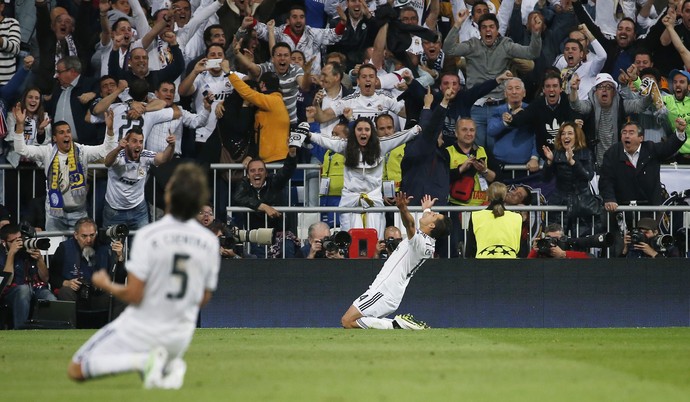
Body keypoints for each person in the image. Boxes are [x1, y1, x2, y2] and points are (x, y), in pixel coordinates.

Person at [67, 163, 220, 389]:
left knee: (76, 369)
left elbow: (134, 294)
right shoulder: (209, 242)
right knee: (157, 385)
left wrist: (106, 284)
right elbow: (204, 299)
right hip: (180, 335)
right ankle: (169, 367)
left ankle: (143, 361)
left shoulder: (150, 235)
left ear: (168, 194)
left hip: (144, 326)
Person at [340, 193, 451, 330]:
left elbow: (410, 225)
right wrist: (426, 209)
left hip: (384, 291)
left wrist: (403, 208)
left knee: (347, 321)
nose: (431, 213)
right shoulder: (427, 241)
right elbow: (419, 224)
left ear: (432, 225)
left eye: (433, 215)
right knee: (355, 322)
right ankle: (399, 324)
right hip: (388, 291)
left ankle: (398, 325)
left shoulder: (421, 242)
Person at [304, 117, 422, 238]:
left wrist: (416, 129)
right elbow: (326, 140)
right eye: (359, 129)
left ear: (372, 132)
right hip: (350, 201)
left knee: (375, 239)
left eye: (367, 129)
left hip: (374, 201)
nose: (363, 132)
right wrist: (309, 135)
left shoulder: (382, 145)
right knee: (350, 240)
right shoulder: (345, 146)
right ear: (354, 132)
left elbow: (400, 137)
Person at [11, 108, 118, 231]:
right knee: (54, 249)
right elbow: (21, 149)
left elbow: (106, 150)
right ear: (55, 138)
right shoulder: (47, 152)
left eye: (68, 131)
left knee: (81, 249)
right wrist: (20, 125)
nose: (66, 135)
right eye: (61, 132)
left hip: (78, 214)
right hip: (54, 213)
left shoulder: (81, 151)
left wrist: (109, 129)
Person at [599, 120, 687, 212]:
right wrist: (609, 199)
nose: (627, 136)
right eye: (624, 133)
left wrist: (680, 132)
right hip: (621, 208)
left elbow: (669, 147)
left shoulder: (651, 149)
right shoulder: (612, 153)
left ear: (640, 138)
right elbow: (606, 179)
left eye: (631, 133)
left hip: (650, 208)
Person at [103, 127, 175, 230]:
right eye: (134, 141)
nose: (138, 145)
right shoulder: (118, 156)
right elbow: (107, 162)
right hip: (114, 210)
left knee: (142, 243)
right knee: (112, 244)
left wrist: (171, 146)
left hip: (138, 210)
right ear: (126, 143)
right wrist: (118, 148)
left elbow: (163, 158)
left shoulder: (145, 155)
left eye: (141, 142)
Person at [233, 146, 299, 258]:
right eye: (252, 171)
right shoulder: (244, 184)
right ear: (248, 175)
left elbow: (286, 172)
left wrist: (291, 155)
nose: (257, 173)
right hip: (258, 235)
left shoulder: (274, 181)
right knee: (259, 259)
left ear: (266, 173)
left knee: (288, 251)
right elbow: (238, 197)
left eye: (260, 170)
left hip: (280, 233)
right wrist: (263, 207)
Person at [542, 121, 600, 236]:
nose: (566, 136)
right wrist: (549, 161)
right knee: (556, 239)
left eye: (570, 133)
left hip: (581, 203)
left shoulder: (586, 153)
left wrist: (573, 162)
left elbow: (588, 176)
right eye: (563, 134)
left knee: (579, 242)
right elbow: (545, 178)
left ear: (577, 136)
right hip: (559, 201)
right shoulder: (556, 153)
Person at [49, 218, 113, 313]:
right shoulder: (64, 248)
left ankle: (111, 327)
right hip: (74, 292)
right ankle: (69, 326)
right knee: (65, 291)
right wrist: (66, 283)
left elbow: (117, 278)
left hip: (97, 294)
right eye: (84, 236)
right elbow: (52, 276)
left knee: (117, 296)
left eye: (92, 235)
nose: (89, 240)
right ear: (76, 235)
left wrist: (119, 258)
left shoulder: (105, 249)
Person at [0, 223, 56, 329]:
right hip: (11, 293)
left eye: (19, 239)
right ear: (4, 242)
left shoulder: (28, 248)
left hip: (35, 288)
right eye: (13, 241)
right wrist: (11, 254)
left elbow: (45, 278)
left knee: (50, 297)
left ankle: (51, 332)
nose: (19, 243)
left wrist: (40, 260)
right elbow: (6, 282)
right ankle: (21, 330)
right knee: (23, 290)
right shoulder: (1, 254)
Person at [465, 182, 522, 258]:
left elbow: (470, 248)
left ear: (488, 195)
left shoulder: (476, 216)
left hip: (481, 265)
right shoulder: (517, 217)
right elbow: (519, 248)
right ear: (505, 196)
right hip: (510, 264)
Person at [527, 223, 592, 258]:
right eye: (549, 239)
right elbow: (528, 266)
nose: (552, 243)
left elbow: (590, 258)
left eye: (556, 239)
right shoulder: (542, 251)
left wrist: (563, 254)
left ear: (563, 239)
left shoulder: (568, 247)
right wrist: (535, 250)